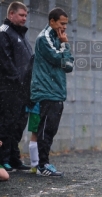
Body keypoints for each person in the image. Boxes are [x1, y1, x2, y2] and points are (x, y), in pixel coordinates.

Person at [30, 7, 74, 177]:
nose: (64, 28)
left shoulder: (58, 37)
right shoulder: (44, 38)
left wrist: (64, 47)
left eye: (66, 24)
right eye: (61, 24)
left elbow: (68, 66)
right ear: (52, 21)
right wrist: (65, 45)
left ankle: (43, 163)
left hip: (56, 91)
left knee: (51, 129)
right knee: (45, 129)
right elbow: (59, 59)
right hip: (46, 91)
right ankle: (42, 165)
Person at [0, 1, 33, 171]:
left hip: (23, 90)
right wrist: (17, 81)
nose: (24, 18)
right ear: (11, 14)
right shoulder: (4, 33)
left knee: (19, 124)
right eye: (21, 15)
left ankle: (14, 158)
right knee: (7, 123)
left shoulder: (20, 35)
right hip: (9, 89)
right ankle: (3, 158)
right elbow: (5, 61)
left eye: (26, 15)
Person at [26, 102, 40, 173]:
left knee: (41, 134)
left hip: (41, 108)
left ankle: (38, 164)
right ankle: (34, 164)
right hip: (36, 109)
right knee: (35, 133)